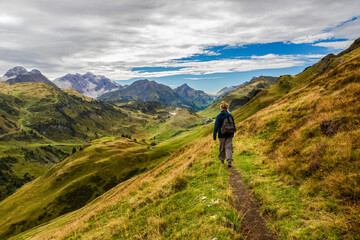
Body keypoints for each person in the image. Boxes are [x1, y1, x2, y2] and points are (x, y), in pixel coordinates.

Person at [213, 101, 236, 167]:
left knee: (222, 147)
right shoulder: (230, 115)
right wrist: (234, 130)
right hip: (229, 134)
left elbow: (216, 126)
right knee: (228, 147)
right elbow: (233, 124)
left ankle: (222, 160)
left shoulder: (219, 116)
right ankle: (229, 160)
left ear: (221, 108)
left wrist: (214, 135)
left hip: (221, 134)